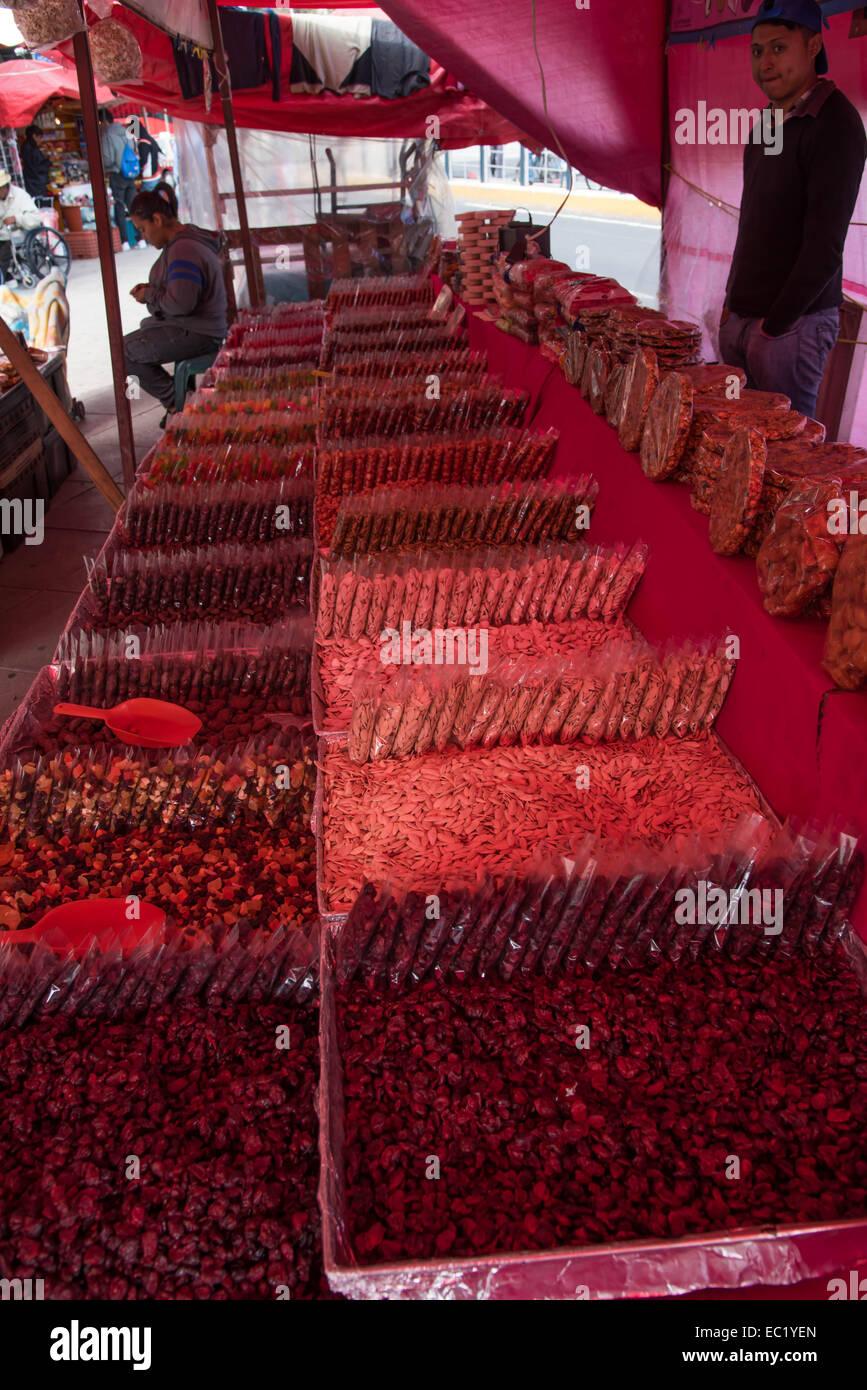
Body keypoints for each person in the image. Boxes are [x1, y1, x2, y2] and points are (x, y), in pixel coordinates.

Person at [720, 0, 867, 419]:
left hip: (791, 327)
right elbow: (751, 222)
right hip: (744, 319)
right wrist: (733, 305)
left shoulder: (835, 123)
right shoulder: (766, 123)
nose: (765, 61)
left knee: (786, 461)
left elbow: (824, 247)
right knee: (735, 444)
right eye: (757, 51)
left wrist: (774, 326)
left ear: (814, 45)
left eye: (779, 48)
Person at [124, 181, 226, 422]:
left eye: (143, 229)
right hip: (198, 327)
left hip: (199, 332)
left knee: (123, 352)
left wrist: (150, 295)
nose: (144, 236)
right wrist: (152, 291)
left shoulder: (184, 250)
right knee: (130, 344)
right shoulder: (184, 243)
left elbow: (181, 304)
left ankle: (178, 404)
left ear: (157, 220)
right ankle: (179, 399)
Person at [99, 108, 138, 250]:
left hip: (116, 173)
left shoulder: (107, 135)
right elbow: (134, 147)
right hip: (130, 173)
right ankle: (141, 238)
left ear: (103, 121)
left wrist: (106, 168)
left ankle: (125, 241)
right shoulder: (124, 131)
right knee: (133, 205)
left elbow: (107, 158)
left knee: (119, 206)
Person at [0, 170, 42, 281]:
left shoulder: (20, 195)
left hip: (16, 233)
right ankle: (6, 276)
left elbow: (36, 218)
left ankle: (3, 277)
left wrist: (16, 218)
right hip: (2, 233)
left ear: (4, 187)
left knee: (3, 253)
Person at [20, 125, 51, 200]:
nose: (40, 140)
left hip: (30, 181)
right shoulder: (33, 149)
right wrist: (49, 161)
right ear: (34, 136)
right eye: (40, 137)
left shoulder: (24, 146)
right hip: (37, 183)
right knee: (40, 203)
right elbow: (39, 167)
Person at [135, 118, 163, 190]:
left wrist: (138, 167)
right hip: (156, 175)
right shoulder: (150, 139)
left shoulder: (143, 142)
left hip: (148, 177)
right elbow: (160, 153)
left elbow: (144, 160)